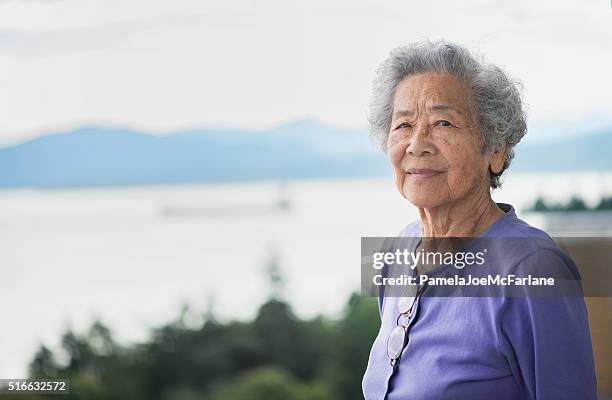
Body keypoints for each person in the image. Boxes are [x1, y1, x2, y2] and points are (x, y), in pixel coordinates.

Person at [361, 40, 597, 400]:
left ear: (495, 151)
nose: (417, 144)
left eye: (443, 122)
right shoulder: (400, 251)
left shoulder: (532, 268)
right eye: (404, 124)